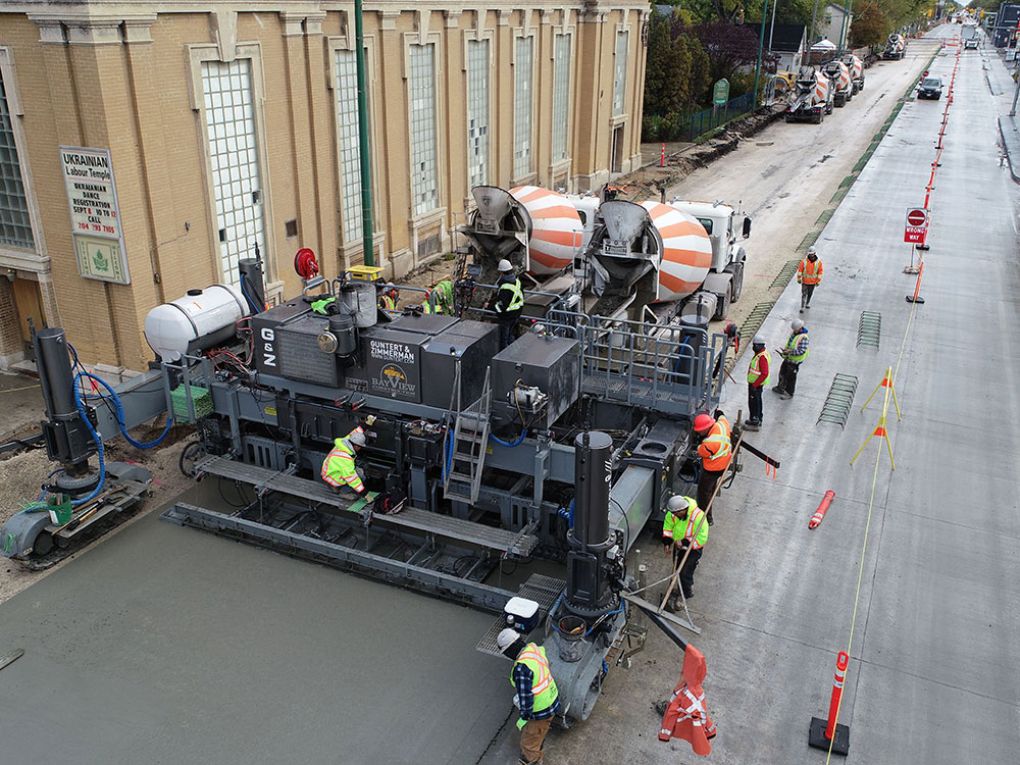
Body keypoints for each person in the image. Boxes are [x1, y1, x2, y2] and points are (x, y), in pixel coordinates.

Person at [496, 628, 561, 765]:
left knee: (528, 742)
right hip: (552, 699)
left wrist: (525, 717)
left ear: (510, 650)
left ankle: (532, 760)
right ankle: (539, 741)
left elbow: (526, 699)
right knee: (539, 733)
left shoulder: (522, 668)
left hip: (540, 711)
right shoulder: (534, 649)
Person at [661, 495, 709, 606]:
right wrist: (667, 542)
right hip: (678, 546)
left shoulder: (698, 516)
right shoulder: (673, 513)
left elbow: (702, 537)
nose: (674, 516)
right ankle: (673, 589)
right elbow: (668, 527)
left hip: (693, 549)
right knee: (677, 567)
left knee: (684, 572)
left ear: (683, 509)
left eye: (677, 513)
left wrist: (684, 542)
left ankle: (686, 593)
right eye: (673, 513)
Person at [692, 411, 732, 524]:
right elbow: (722, 416)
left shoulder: (709, 443)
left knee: (703, 492)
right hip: (725, 461)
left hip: (713, 468)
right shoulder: (722, 424)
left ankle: (706, 518)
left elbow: (700, 451)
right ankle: (712, 490)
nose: (699, 433)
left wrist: (697, 448)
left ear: (705, 429)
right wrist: (719, 413)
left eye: (699, 431)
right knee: (711, 487)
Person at [320, 427, 368, 497]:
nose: (360, 449)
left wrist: (364, 425)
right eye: (360, 447)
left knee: (358, 472)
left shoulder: (343, 443)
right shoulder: (345, 458)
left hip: (329, 472)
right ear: (356, 446)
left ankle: (335, 486)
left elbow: (352, 434)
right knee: (360, 476)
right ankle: (342, 491)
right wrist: (363, 492)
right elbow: (351, 477)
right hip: (333, 479)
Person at [488, 259, 524, 349]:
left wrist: (489, 307)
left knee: (504, 339)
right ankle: (512, 353)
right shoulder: (517, 282)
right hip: (517, 314)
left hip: (507, 316)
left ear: (501, 272)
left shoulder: (505, 287)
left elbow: (501, 306)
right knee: (511, 335)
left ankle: (504, 356)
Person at [774, 319, 809, 400]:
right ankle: (781, 388)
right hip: (788, 359)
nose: (794, 331)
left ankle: (789, 393)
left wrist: (790, 352)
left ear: (800, 328)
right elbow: (791, 344)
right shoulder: (795, 334)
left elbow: (801, 351)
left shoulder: (804, 337)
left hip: (794, 362)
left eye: (795, 329)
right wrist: (786, 351)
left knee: (791, 378)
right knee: (782, 373)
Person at [744, 336, 770, 431]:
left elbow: (764, 373)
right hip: (755, 384)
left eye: (755, 345)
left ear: (760, 345)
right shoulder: (761, 353)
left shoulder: (762, 357)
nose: (753, 347)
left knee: (754, 402)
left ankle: (755, 420)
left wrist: (754, 385)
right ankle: (756, 418)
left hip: (756, 385)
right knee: (756, 401)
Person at [796, 248, 823, 312]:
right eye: (810, 254)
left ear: (814, 253)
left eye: (812, 254)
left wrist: (818, 281)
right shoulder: (804, 262)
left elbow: (820, 272)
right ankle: (802, 307)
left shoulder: (818, 263)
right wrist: (799, 278)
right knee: (804, 294)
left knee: (810, 294)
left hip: (813, 282)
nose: (811, 255)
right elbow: (800, 270)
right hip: (805, 281)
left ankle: (807, 303)